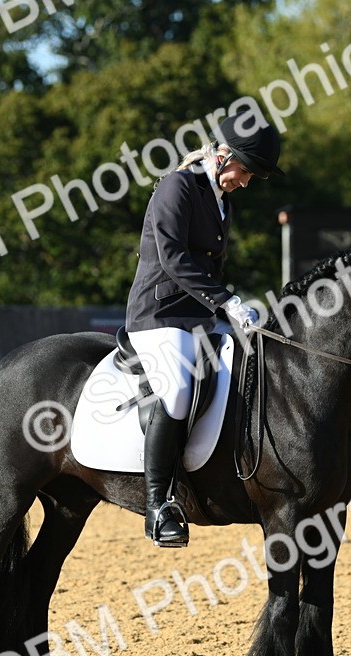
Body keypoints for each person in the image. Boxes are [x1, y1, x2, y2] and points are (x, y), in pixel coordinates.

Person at [123, 113, 283, 547]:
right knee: (177, 388)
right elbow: (173, 257)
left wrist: (231, 311)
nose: (245, 182)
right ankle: (159, 504)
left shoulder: (220, 199)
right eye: (245, 171)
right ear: (224, 155)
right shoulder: (177, 186)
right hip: (160, 314)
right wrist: (227, 300)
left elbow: (210, 265)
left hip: (200, 315)